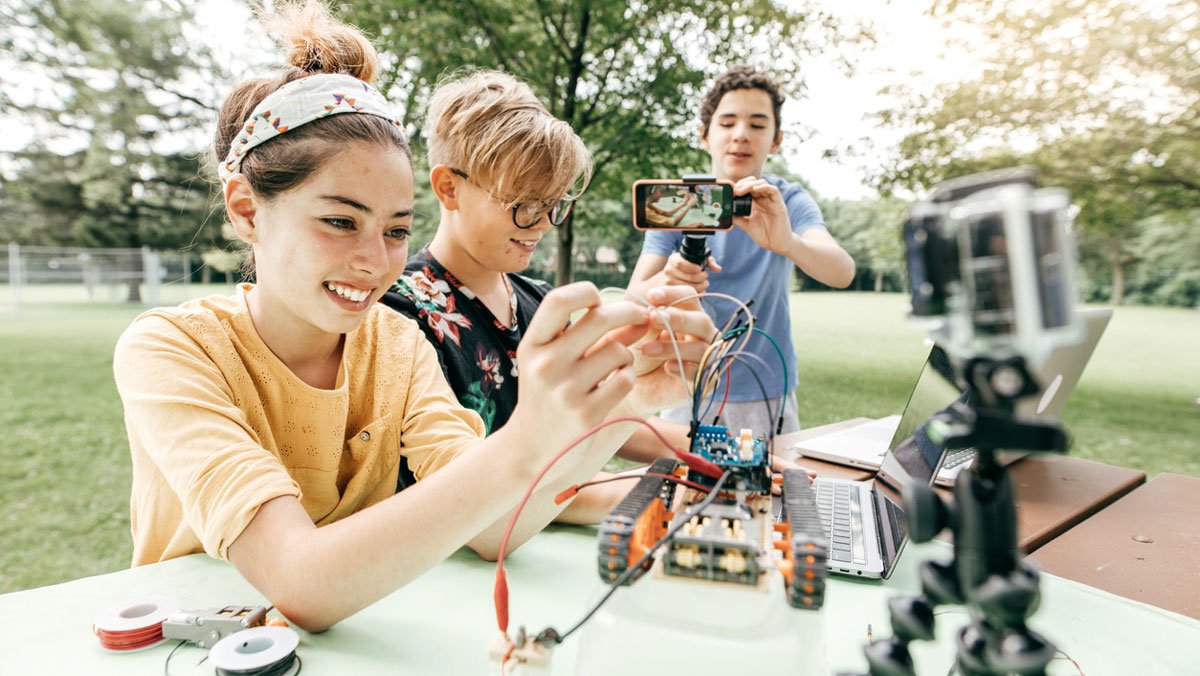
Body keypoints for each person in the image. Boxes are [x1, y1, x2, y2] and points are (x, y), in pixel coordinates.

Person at [112, 1, 713, 633]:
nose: (375, 263)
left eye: (397, 230)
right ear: (246, 210)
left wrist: (618, 404)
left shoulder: (396, 342)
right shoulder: (171, 349)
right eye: (341, 221)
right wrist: (531, 437)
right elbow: (300, 582)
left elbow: (493, 527)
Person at [381, 70, 696, 470]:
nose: (544, 223)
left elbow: (597, 423)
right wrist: (672, 489)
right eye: (525, 204)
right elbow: (478, 490)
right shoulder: (401, 317)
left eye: (553, 204)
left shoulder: (539, 300)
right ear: (449, 188)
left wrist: (740, 459)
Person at [629, 65, 856, 437]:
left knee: (772, 489)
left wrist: (788, 242)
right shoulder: (676, 201)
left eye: (757, 124)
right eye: (728, 122)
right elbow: (633, 295)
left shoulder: (789, 200)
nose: (741, 135)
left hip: (765, 387)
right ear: (704, 135)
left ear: (776, 139)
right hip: (686, 382)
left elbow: (842, 271)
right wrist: (669, 278)